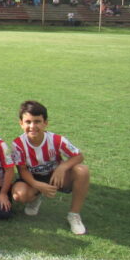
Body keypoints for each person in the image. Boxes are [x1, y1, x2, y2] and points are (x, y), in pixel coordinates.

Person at [11, 100, 90, 235]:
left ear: (45, 123)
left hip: (55, 177)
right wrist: (37, 184)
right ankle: (36, 197)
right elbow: (22, 170)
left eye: (37, 121)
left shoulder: (57, 140)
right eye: (28, 122)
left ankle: (74, 215)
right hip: (33, 179)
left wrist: (62, 167)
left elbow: (79, 156)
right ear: (21, 123)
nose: (32, 126)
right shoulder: (17, 144)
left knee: (82, 171)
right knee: (19, 195)